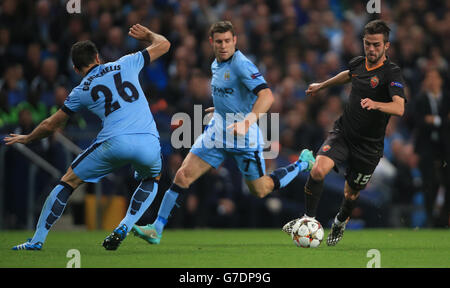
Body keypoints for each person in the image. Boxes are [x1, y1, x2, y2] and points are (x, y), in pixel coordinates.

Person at [132, 21, 315, 244]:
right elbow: (230, 94)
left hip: (244, 138)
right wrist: (220, 109)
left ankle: (301, 164)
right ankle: (157, 228)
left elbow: (267, 96)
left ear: (235, 40)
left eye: (228, 40)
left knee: (261, 189)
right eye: (219, 41)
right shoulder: (215, 65)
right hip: (217, 132)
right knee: (182, 175)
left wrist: (247, 121)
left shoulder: (242, 65)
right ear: (212, 42)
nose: (223, 45)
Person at [5, 24, 170, 250]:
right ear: (97, 57)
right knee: (152, 178)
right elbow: (164, 44)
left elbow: (52, 124)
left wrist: (28, 138)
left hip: (114, 142)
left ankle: (37, 240)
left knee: (69, 181)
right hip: (148, 141)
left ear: (75, 68)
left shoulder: (81, 90)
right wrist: (149, 35)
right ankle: (126, 224)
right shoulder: (126, 62)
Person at [283, 20, 406, 246]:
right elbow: (348, 74)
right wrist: (322, 85)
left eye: (376, 45)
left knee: (351, 194)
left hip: (369, 148)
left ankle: (340, 221)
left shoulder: (392, 73)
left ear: (386, 46)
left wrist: (377, 104)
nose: (371, 49)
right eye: (368, 44)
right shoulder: (359, 63)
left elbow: (399, 107)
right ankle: (307, 219)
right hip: (343, 134)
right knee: (318, 170)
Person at [413, 68, 450, 227]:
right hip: (426, 148)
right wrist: (442, 121)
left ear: (441, 81)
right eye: (429, 77)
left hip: (445, 147)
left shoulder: (447, 98)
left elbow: (427, 121)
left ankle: (443, 218)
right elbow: (418, 121)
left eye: (435, 77)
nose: (432, 80)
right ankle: (430, 218)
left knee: (447, 182)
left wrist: (433, 120)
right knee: (430, 183)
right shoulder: (420, 99)